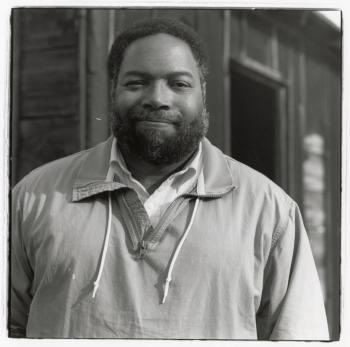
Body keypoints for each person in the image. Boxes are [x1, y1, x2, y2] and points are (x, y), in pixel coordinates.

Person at [10, 18, 329, 340]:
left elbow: (298, 337)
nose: (157, 99)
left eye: (178, 84)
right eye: (136, 83)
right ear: (113, 90)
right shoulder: (33, 197)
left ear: (202, 93)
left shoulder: (269, 210)